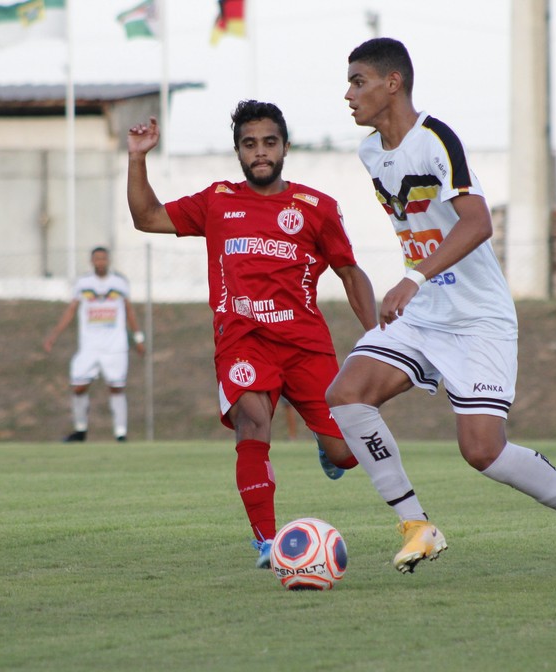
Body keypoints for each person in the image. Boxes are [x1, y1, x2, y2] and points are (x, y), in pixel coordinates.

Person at [327, 37, 556, 588]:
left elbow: (478, 221)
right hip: (422, 312)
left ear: (393, 83)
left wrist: (413, 277)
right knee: (346, 394)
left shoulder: (436, 138)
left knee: (482, 451)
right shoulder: (371, 153)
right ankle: (415, 524)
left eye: (358, 81)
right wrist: (418, 284)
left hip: (477, 316)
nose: (348, 94)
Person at [126, 100, 377, 569]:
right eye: (249, 144)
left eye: (268, 143)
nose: (259, 153)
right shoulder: (217, 201)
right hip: (244, 339)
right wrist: (138, 157)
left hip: (305, 345)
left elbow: (349, 271)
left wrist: (379, 336)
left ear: (285, 147)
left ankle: (328, 446)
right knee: (252, 422)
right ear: (238, 151)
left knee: (347, 454)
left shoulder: (316, 208)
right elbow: (147, 216)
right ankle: (266, 541)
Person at [43, 246, 146, 442]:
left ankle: (120, 434)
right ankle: (80, 430)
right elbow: (71, 310)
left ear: (108, 261)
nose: (100, 262)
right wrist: (54, 335)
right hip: (89, 346)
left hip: (115, 346)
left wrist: (138, 338)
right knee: (79, 386)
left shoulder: (119, 282)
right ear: (92, 261)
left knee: (116, 387)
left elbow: (129, 311)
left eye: (103, 258)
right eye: (97, 259)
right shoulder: (83, 283)